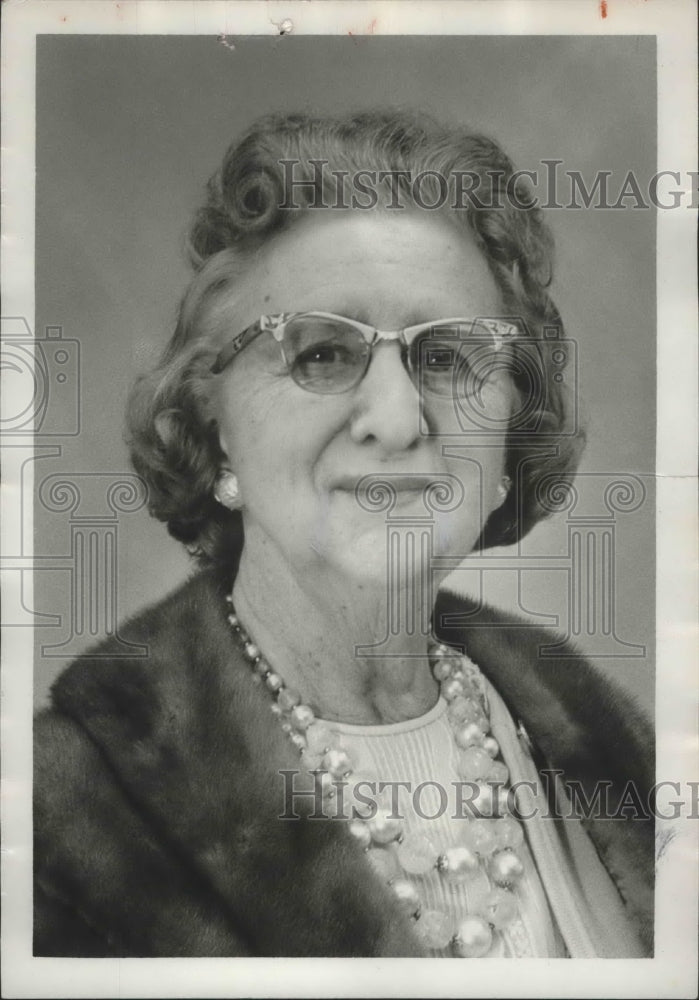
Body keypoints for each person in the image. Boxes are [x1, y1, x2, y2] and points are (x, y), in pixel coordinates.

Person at [33, 110, 653, 958]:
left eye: (447, 358)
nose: (396, 420)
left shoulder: (613, 751)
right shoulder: (64, 814)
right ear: (213, 425)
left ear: (511, 431)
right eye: (322, 354)